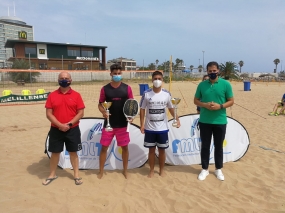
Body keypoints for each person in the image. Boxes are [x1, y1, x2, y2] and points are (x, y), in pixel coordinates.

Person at [194, 61, 234, 181]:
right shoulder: (202, 85)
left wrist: (220, 106)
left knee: (218, 146)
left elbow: (231, 101)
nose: (212, 73)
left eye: (214, 71)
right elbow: (196, 100)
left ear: (218, 71)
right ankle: (204, 169)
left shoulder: (226, 84)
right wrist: (204, 105)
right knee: (205, 146)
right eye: (210, 71)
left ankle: (218, 169)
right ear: (207, 72)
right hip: (205, 120)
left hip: (220, 121)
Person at [43, 71, 85, 186]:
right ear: (58, 80)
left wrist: (69, 124)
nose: (64, 80)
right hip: (56, 129)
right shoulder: (52, 95)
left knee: (73, 152)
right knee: (55, 153)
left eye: (66, 78)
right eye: (62, 78)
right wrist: (60, 125)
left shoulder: (76, 95)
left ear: (70, 80)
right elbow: (48, 114)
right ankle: (52, 175)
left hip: (73, 129)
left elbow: (80, 113)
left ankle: (76, 175)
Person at [140, 71, 181, 178]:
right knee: (151, 150)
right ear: (152, 80)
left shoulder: (167, 94)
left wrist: (177, 119)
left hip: (162, 128)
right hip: (149, 128)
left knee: (162, 150)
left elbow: (171, 108)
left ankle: (162, 170)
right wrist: (142, 125)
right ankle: (152, 170)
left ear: (162, 80)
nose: (157, 80)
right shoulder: (146, 93)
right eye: (155, 78)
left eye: (159, 78)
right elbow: (142, 109)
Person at [97, 63, 134, 179]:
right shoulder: (105, 89)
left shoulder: (127, 88)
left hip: (123, 124)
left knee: (125, 148)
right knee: (104, 147)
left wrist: (131, 116)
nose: (117, 75)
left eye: (119, 73)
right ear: (111, 74)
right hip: (109, 124)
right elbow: (100, 104)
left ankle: (125, 171)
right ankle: (101, 171)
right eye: (115, 74)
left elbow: (132, 105)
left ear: (121, 74)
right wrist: (103, 112)